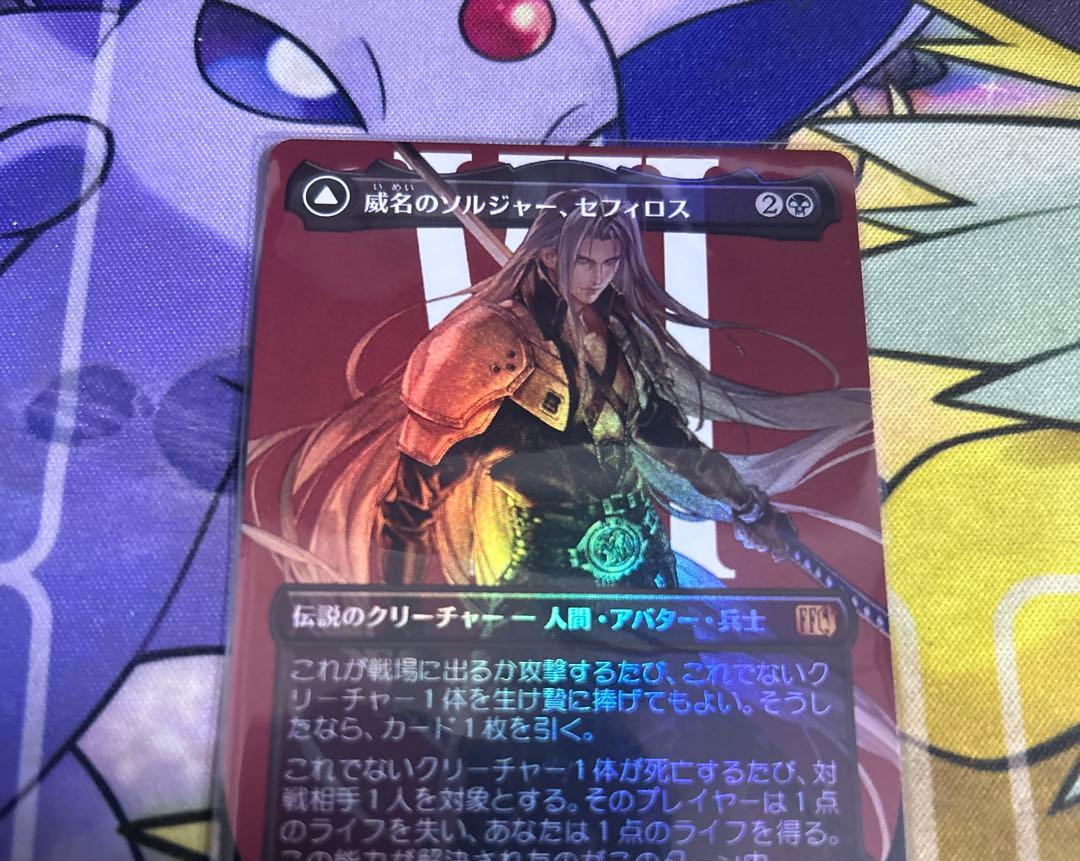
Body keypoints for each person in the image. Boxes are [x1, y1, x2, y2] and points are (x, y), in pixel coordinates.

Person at [247, 189, 871, 589]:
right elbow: (414, 497)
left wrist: (750, 508)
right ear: (548, 257)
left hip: (644, 567)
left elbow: (671, 441)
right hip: (543, 576)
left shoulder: (620, 336)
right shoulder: (485, 344)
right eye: (583, 262)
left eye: (609, 263)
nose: (597, 277)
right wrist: (401, 613)